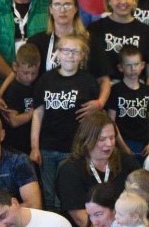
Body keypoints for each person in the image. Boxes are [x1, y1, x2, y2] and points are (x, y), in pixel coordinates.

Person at [33, 33, 103, 199]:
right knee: (48, 194)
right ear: (57, 53)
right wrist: (34, 147)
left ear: (82, 56)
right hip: (47, 147)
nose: (70, 55)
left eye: (75, 51)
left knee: (68, 192)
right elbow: (38, 114)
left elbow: (95, 118)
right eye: (65, 50)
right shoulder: (46, 79)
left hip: (74, 148)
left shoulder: (88, 81)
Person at [54, 113, 144, 227]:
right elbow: (81, 219)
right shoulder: (70, 170)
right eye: (102, 139)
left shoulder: (127, 162)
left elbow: (145, 202)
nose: (109, 144)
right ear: (87, 139)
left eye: (112, 138)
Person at [88, 0, 149, 82]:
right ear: (109, 1)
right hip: (104, 87)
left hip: (136, 88)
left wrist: (146, 90)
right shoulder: (95, 29)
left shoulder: (146, 31)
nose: (123, 1)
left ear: (134, 0)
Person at [25, 0, 90, 74]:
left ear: (75, 9)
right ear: (51, 9)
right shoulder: (36, 42)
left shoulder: (89, 41)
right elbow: (27, 77)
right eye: (57, 5)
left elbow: (102, 79)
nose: (62, 10)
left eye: (67, 5)